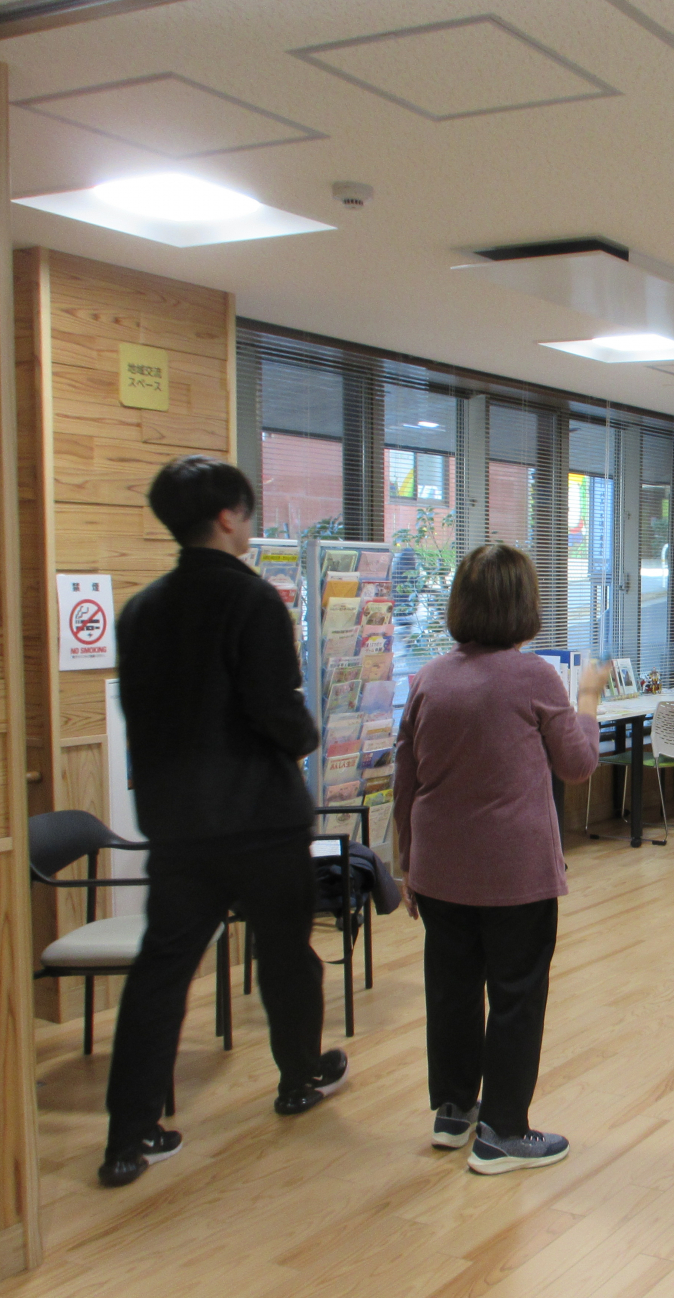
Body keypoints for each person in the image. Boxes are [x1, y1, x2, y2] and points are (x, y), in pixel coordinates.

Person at [101, 456, 345, 1189]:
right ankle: (299, 1077)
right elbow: (276, 711)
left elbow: (140, 716)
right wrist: (306, 735)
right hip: (261, 820)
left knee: (161, 972)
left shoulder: (140, 610)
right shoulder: (253, 600)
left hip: (178, 826)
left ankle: (129, 1136)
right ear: (228, 517)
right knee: (285, 954)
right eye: (248, 511)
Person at [394, 542, 608, 1175]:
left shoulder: (429, 678)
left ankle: (454, 1110)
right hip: (514, 873)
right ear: (524, 606)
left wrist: (407, 863)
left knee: (451, 990)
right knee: (516, 994)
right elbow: (577, 764)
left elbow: (406, 778)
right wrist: (588, 700)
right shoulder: (534, 676)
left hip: (439, 869)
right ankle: (503, 1132)